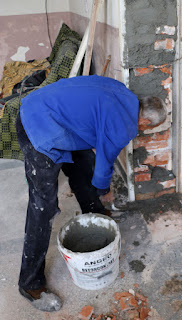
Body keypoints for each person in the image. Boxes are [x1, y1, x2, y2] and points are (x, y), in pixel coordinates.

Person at [15, 75, 167, 312]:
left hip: (42, 108)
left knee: (83, 159)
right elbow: (105, 163)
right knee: (42, 206)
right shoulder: (126, 125)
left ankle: (95, 211)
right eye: (148, 128)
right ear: (145, 123)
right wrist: (102, 189)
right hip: (38, 128)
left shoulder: (123, 93)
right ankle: (30, 283)